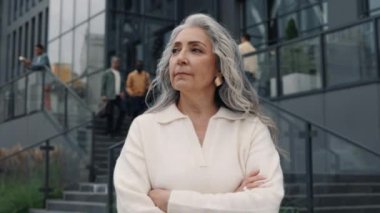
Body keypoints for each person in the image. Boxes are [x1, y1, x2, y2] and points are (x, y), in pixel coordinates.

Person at [114, 14, 284, 213]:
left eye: (195, 50)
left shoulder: (251, 128)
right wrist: (234, 200)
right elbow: (130, 207)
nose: (180, 58)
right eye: (175, 50)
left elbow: (265, 204)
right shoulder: (144, 128)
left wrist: (171, 201)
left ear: (219, 67)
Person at [101, 56, 125, 136]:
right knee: (109, 114)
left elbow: (121, 84)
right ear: (112, 63)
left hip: (118, 96)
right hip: (110, 96)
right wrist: (103, 95)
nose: (117, 64)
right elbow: (103, 85)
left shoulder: (119, 74)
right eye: (115, 62)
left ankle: (117, 129)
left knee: (122, 110)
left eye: (118, 62)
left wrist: (122, 91)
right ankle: (109, 131)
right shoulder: (107, 73)